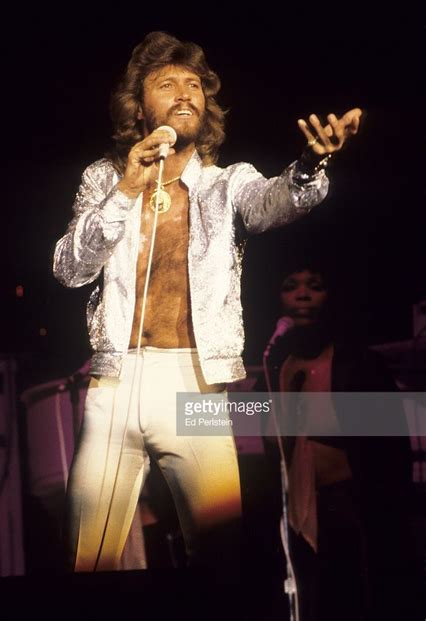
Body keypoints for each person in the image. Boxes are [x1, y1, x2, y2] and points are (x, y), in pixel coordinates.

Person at [53, 30, 362, 575]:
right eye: (167, 83)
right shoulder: (104, 178)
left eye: (194, 84)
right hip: (114, 385)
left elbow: (274, 204)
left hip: (195, 388)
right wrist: (126, 189)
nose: (185, 93)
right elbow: (69, 271)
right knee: (89, 563)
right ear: (138, 108)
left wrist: (311, 165)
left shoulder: (227, 183)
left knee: (221, 563)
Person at [257, 257, 413, 620]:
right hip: (294, 511)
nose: (303, 296)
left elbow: (391, 451)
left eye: (315, 286)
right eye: (291, 286)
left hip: (348, 509)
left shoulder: (358, 364)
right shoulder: (275, 368)